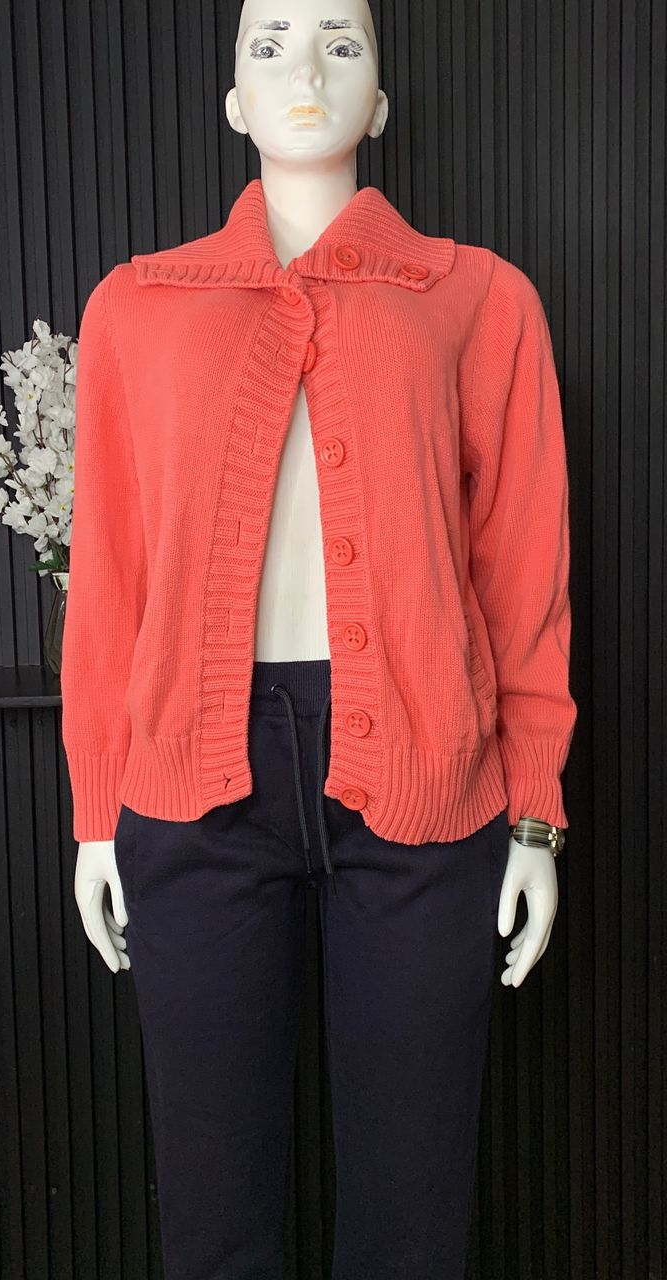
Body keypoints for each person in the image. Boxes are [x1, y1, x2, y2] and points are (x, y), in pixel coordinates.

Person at [60, 1, 578, 1275]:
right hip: (192, 779)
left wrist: (534, 812)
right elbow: (112, 575)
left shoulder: (479, 297)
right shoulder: (135, 306)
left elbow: (524, 574)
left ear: (382, 102)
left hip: (426, 769)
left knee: (414, 1207)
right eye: (270, 44)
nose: (305, 69)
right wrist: (95, 809)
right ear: (233, 100)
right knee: (214, 1204)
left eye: (342, 44)